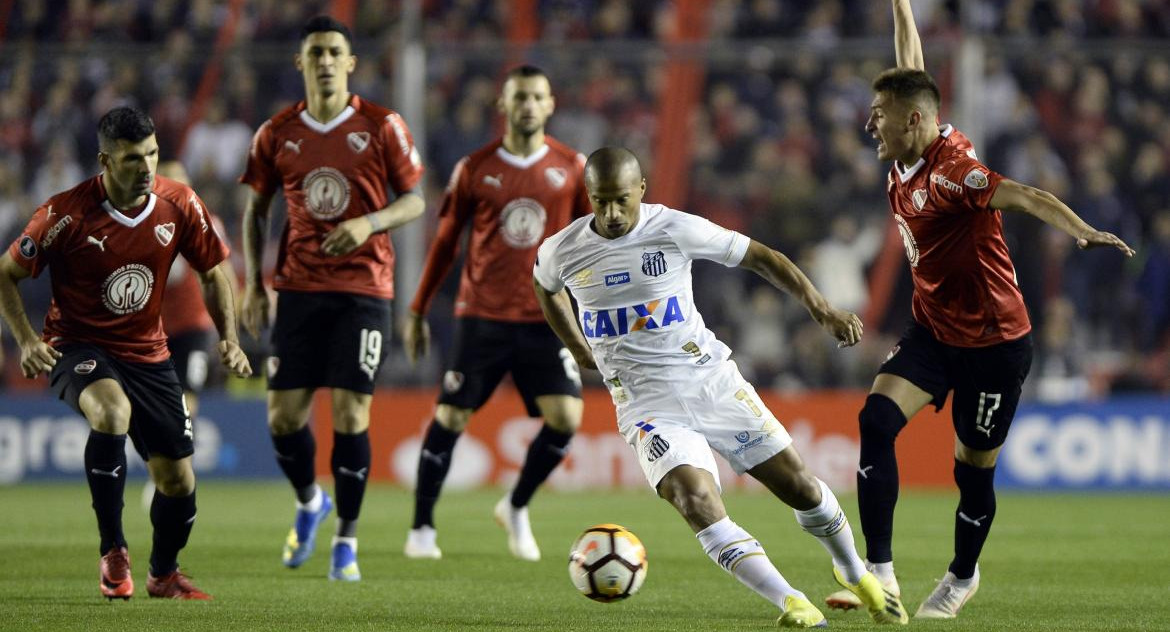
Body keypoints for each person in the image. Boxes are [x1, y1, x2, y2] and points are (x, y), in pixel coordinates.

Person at [824, 0, 1136, 620]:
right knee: (876, 421)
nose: (869, 125)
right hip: (935, 330)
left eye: (878, 117)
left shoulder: (952, 174)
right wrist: (902, 5)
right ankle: (878, 576)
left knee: (972, 468)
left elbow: (1024, 194)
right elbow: (909, 64)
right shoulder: (907, 145)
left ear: (913, 121)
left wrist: (1081, 230)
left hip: (995, 344)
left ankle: (963, 575)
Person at [534, 147, 908, 628]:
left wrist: (823, 310)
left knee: (800, 487)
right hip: (646, 405)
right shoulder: (562, 249)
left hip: (710, 381)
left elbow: (761, 257)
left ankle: (853, 571)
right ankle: (791, 600)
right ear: (588, 196)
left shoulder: (673, 228)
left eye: (620, 201)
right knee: (695, 500)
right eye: (600, 201)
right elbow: (545, 287)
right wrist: (577, 346)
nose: (609, 214)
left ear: (641, 191)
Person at [0, 106, 252, 600]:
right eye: (134, 158)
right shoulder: (62, 214)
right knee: (112, 412)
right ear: (105, 161)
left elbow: (212, 273)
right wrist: (27, 340)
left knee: (178, 481)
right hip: (78, 346)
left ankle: (163, 573)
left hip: (148, 352)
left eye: (153, 155)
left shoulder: (179, 202)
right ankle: (114, 552)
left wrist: (229, 337)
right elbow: (5, 273)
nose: (147, 168)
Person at [240, 15, 425, 582]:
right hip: (297, 287)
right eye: (315, 51)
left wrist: (370, 223)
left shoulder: (381, 125)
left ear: (350, 63)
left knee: (350, 412)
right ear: (301, 62)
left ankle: (346, 539)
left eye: (334, 52)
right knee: (282, 417)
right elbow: (257, 210)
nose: (324, 61)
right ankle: (308, 501)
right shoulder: (276, 133)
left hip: (364, 289)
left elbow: (415, 200)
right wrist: (253, 283)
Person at [402, 65, 590, 562]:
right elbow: (444, 244)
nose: (528, 104)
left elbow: (593, 243)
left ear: (550, 105)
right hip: (481, 315)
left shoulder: (572, 167)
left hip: (545, 315)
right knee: (451, 414)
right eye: (520, 97)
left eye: (537, 96)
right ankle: (421, 528)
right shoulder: (474, 168)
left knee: (566, 417)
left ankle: (517, 504)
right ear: (503, 106)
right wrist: (419, 309)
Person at [140, 160, 222, 512]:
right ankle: (163, 470)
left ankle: (177, 470)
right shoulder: (142, 224)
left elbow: (210, 275)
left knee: (187, 401)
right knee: (155, 407)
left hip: (194, 327)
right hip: (155, 329)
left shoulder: (204, 222)